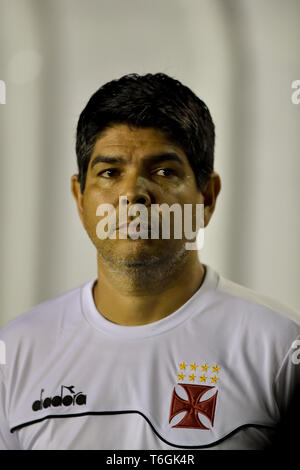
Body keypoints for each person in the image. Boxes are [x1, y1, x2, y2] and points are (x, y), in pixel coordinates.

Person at [0, 73, 299, 450]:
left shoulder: (280, 347)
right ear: (79, 197)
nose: (133, 194)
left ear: (206, 197)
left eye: (164, 172)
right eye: (110, 173)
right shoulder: (16, 350)